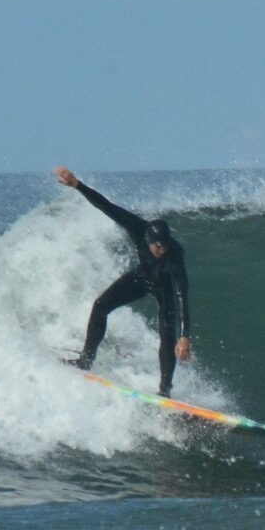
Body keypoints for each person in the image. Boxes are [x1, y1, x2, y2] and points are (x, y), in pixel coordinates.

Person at [55, 166, 192, 396]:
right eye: (158, 246)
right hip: (143, 277)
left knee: (167, 335)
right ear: (149, 240)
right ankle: (85, 361)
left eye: (165, 245)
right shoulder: (139, 228)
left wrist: (184, 336)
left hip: (166, 290)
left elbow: (181, 296)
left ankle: (165, 389)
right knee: (100, 305)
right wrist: (77, 185)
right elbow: (106, 206)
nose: (162, 249)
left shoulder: (174, 257)